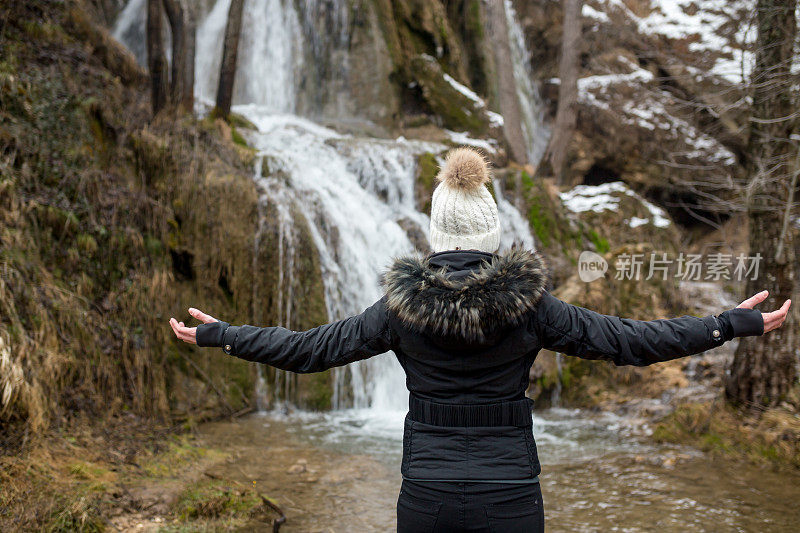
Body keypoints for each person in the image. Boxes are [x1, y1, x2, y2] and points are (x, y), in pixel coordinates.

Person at [169, 147, 790, 532]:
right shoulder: (532, 307)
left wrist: (224, 335)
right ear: (491, 230)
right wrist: (729, 323)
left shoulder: (397, 309)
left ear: (436, 229)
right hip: (511, 497)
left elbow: (310, 351)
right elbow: (632, 341)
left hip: (428, 499)